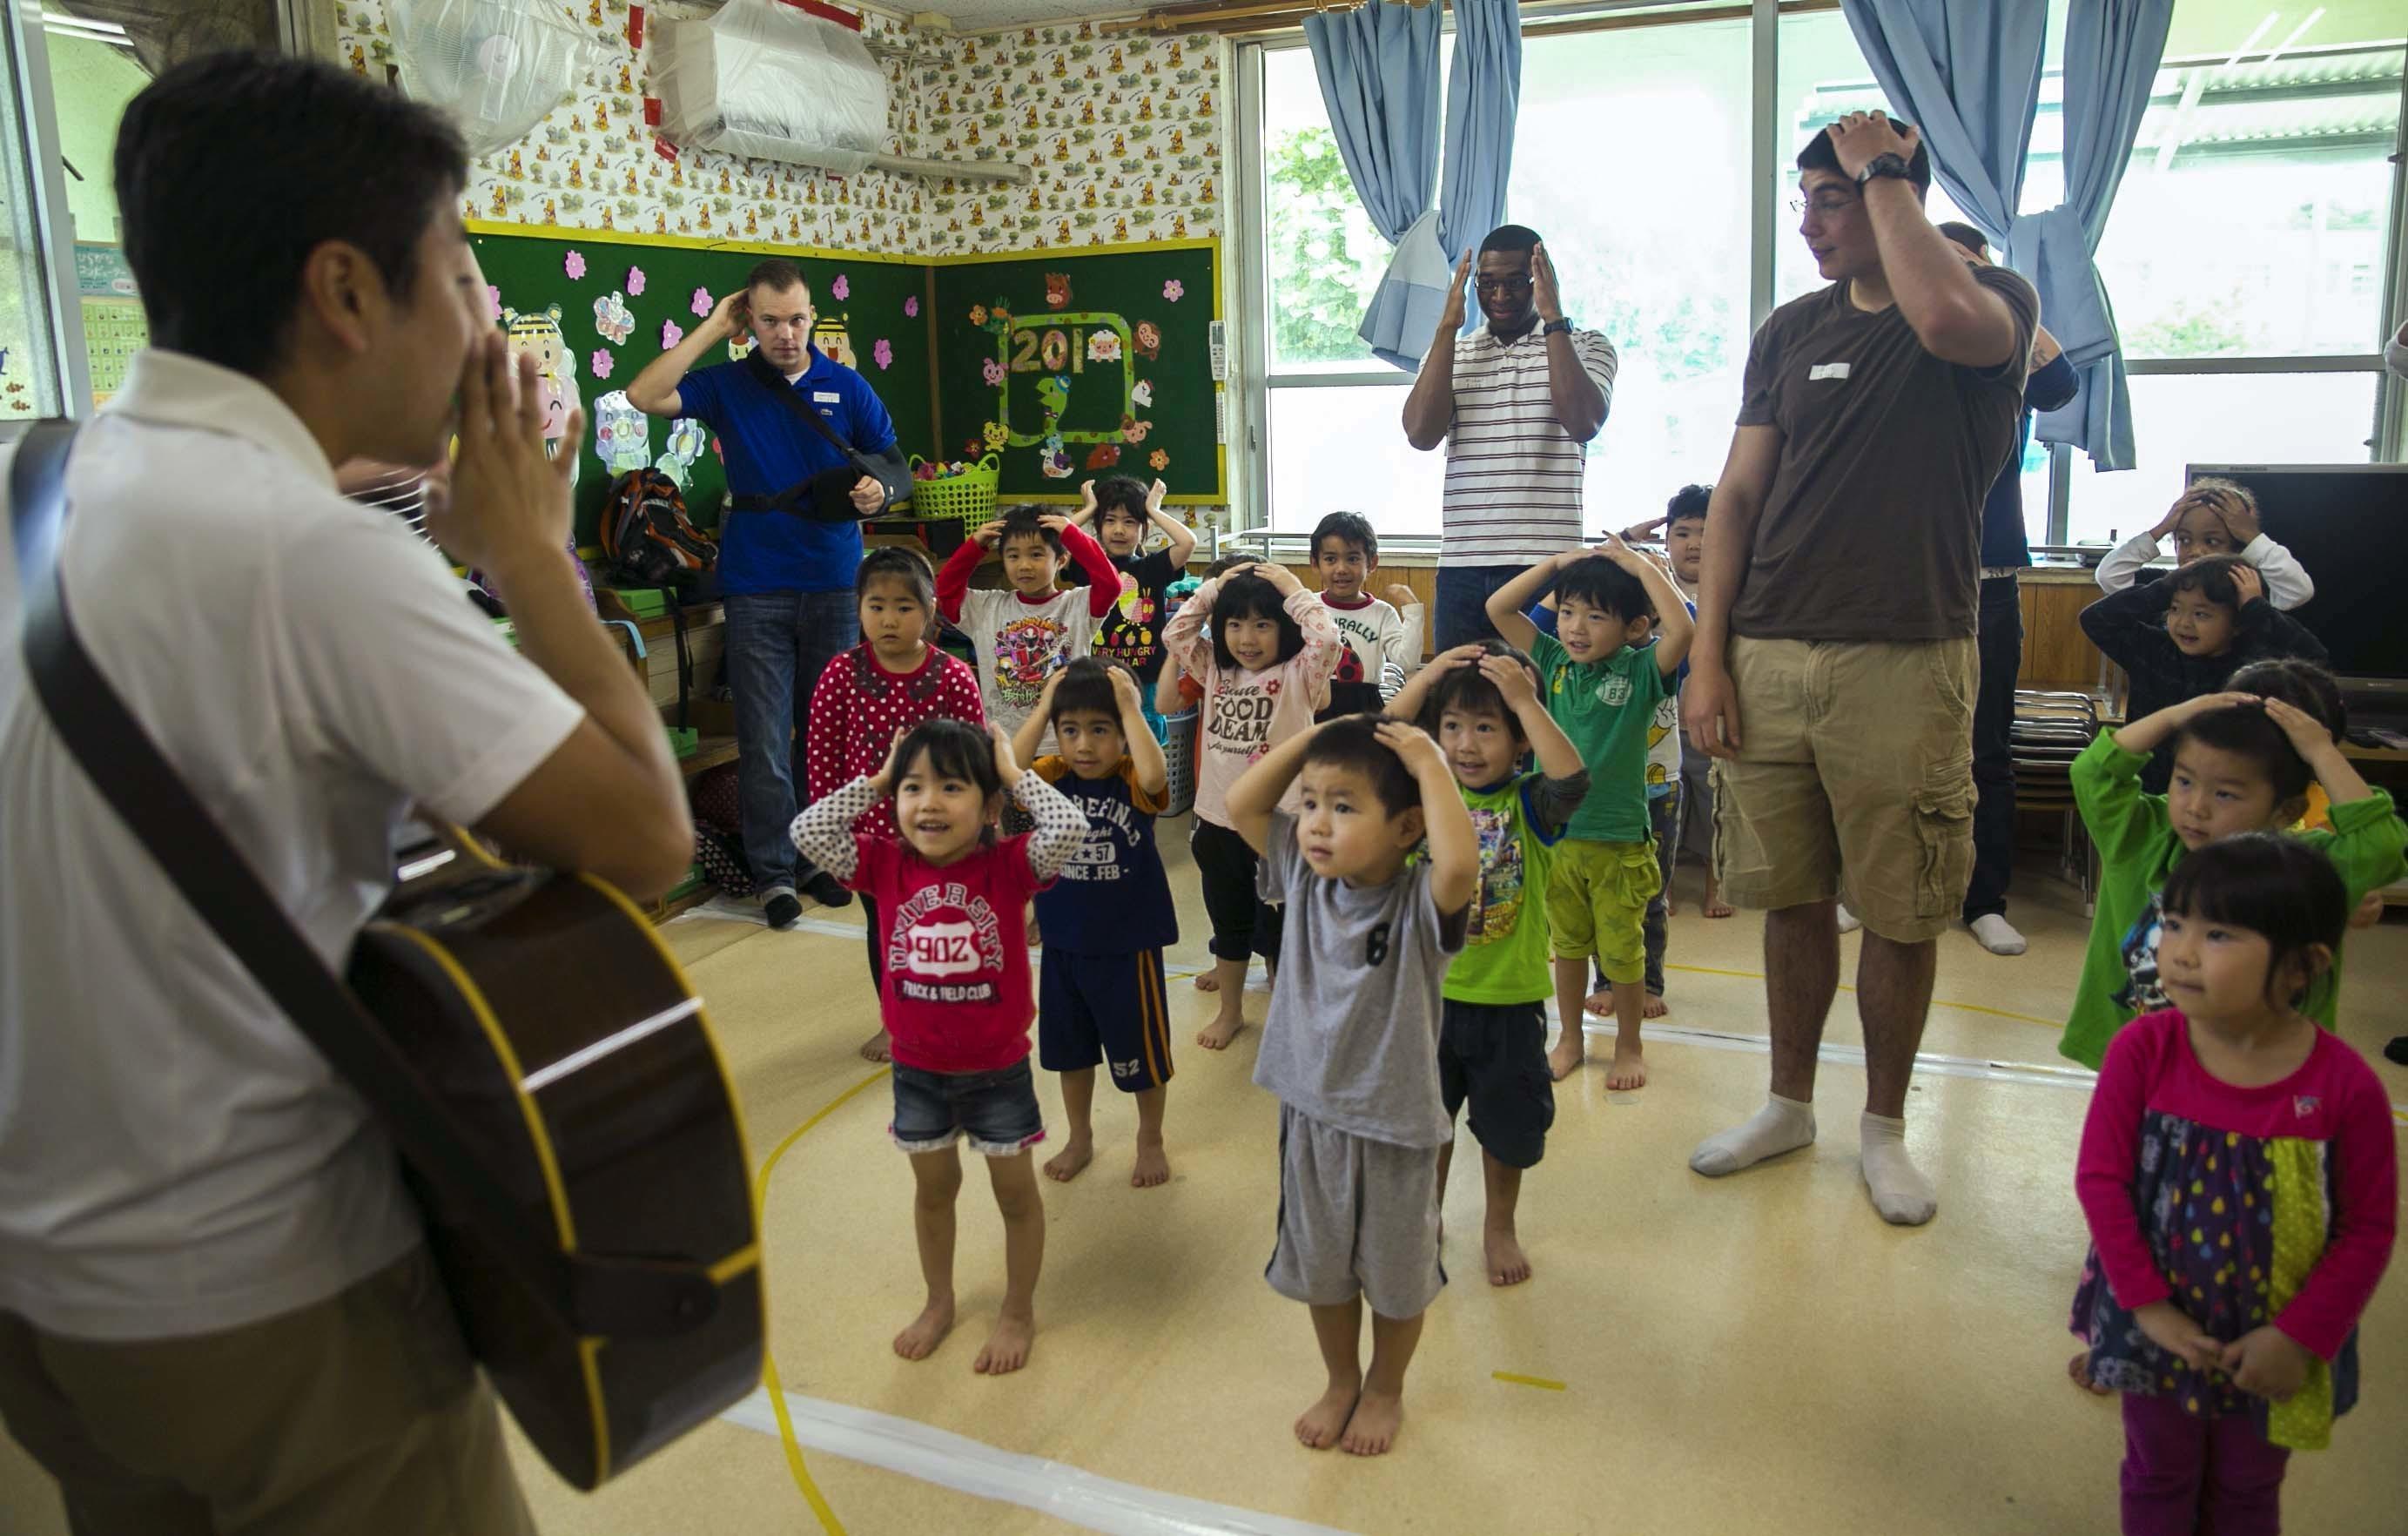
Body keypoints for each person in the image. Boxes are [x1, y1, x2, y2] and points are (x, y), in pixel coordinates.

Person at [0, 51, 695, 1534]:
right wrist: (530, 560)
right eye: (461, 269)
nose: (485, 320)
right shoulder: (305, 551)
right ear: (344, 290)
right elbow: (648, 836)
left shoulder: (51, 480)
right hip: (273, 1299)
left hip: (56, 1300)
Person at [1681, 112, 2040, 1226]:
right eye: (1804, 202)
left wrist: (1887, 170)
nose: (1809, 224)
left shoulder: (1994, 304)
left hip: (1910, 653)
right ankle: (1788, 1103)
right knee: (1790, 896)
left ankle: (1884, 1127)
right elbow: (1736, 497)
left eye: (1829, 199)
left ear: (1896, 192)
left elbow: (1939, 311)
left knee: (1899, 907)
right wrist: (1708, 655)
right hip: (1768, 647)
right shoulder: (1790, 330)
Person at [2070, 835, 2396, 1535]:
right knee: (2158, 1473)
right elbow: (2101, 1181)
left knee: (2248, 1489)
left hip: (2274, 1340)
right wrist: (2149, 1308)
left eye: (2218, 933)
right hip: (2156, 1325)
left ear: (2304, 966)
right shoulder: (2143, 1050)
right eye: (2175, 922)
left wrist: (2300, 1336)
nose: (2180, 950)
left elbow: (2367, 1229)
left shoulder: (2344, 1085)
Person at [791, 719, 1086, 1375]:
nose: (928, 803)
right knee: (933, 1193)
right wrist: (876, 781)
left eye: (951, 788)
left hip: (998, 1072)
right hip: (917, 1072)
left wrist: (1013, 775)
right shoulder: (884, 863)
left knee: (1015, 1197)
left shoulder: (1008, 867)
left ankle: (1017, 1309)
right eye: (914, 788)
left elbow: (1068, 830)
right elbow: (808, 832)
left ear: (986, 810)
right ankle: (939, 1300)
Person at [1228, 715, 1476, 1457]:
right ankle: (1341, 1379)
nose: (1316, 824)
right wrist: (1317, 740)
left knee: (1397, 1279)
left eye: (1344, 806)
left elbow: (1459, 868)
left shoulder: (1417, 906)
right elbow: (1243, 805)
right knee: (1322, 1267)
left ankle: (1386, 1387)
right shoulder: (1303, 879)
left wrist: (1430, 761)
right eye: (1310, 803)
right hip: (1310, 1118)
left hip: (1396, 1130)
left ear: (1406, 828)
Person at [628, 257, 898, 929]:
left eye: (797, 318)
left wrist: (879, 491)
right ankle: (775, 872)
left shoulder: (847, 385)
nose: (786, 333)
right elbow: (643, 396)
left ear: (812, 317)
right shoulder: (727, 384)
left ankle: (819, 858)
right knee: (764, 738)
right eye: (770, 320)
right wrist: (710, 330)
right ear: (751, 320)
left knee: (825, 736)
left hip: (835, 581)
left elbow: (896, 466)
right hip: (756, 587)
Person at [2059, 676, 2404, 1075]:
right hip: (2147, 1067)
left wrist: (2322, 751)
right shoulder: (2141, 838)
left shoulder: (2304, 867)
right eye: (2185, 781)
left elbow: (2382, 843)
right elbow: (2092, 773)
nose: (2195, 808)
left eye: (2225, 794)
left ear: (2287, 811)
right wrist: (2175, 716)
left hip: (2265, 1078)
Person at [1388, 644, 1589, 1287]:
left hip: (1508, 1003)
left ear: (1518, 742)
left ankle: (1498, 1224)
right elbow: (1378, 734)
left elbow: (1572, 780)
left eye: (1485, 728)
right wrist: (1429, 675)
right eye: (1452, 727)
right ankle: (1429, 1216)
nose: (1466, 745)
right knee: (1428, 1126)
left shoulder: (1529, 804)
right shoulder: (1420, 797)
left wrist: (1527, 700)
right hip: (1426, 1002)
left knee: (1509, 1132)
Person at [1487, 537, 1692, 1088]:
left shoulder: (1643, 669)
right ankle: (1571, 1038)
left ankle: (1628, 1046)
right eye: (1569, 611)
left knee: (1624, 953)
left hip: (1620, 840)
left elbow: (1684, 632)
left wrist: (1640, 567)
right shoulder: (1552, 660)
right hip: (1560, 840)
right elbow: (1498, 609)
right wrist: (1555, 566)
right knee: (1569, 947)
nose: (1576, 626)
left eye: (1595, 616)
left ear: (1631, 627)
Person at [1934, 222, 2082, 959]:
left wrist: (1989, 280)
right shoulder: (1917, 344)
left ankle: (1984, 898)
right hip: (1916, 581)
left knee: (1987, 749)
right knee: (1890, 743)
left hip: (1991, 583)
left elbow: (2062, 385)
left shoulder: (2001, 352)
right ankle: (1873, 888)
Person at [804, 545, 985, 1063]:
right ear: (858, 609)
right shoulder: (841, 674)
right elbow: (822, 759)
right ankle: (896, 1020)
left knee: (944, 929)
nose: (888, 619)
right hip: (871, 840)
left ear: (930, 611)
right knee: (885, 931)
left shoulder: (952, 675)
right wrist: (833, 836)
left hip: (940, 837)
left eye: (904, 607)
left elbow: (974, 756)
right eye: (876, 605)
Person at [1402, 226, 1618, 650]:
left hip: (1547, 561)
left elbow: (1583, 422)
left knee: (1545, 699)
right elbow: (1420, 434)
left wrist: (1554, 319)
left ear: (1540, 281)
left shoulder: (1586, 344)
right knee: (1460, 700)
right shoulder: (1451, 353)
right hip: (1463, 565)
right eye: (1488, 283)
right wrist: (1447, 328)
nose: (1500, 296)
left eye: (1515, 282)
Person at [1161, 561, 1342, 1050]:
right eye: (1235, 624)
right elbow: (1176, 633)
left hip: (1279, 825)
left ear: (1283, 628)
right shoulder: (1216, 669)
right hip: (1218, 823)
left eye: (1263, 624)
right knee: (1230, 921)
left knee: (1286, 926)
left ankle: (1289, 1002)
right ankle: (1232, 1011)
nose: (1247, 637)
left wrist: (1293, 589)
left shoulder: (1299, 674)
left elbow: (1327, 640)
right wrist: (1211, 590)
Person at [1012, 661, 1178, 1189]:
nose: (1084, 745)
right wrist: (1043, 708)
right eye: (1071, 731)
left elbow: (1157, 777)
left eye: (1100, 730)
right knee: (1070, 1051)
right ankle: (1079, 1135)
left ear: (1122, 735)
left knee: (1142, 1057)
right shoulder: (1053, 777)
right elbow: (1008, 773)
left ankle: (1149, 1137)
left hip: (1128, 948)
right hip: (1063, 944)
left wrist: (1131, 706)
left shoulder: (1132, 778)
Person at [2079, 554, 2329, 795]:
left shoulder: (2251, 661)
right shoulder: (2154, 649)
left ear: (2238, 624)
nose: (2184, 623)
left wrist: (2257, 608)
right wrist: (2165, 588)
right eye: (2175, 609)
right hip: (2148, 791)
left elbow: (2312, 657)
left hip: (2218, 795)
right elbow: (2095, 619)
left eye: (2201, 614)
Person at [935, 504, 1120, 757]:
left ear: (1062, 559)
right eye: (1013, 556)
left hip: (1065, 745)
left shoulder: (1078, 605)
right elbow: (945, 591)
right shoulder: (987, 608)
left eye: (1036, 555)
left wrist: (1072, 535)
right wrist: (974, 547)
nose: (1024, 565)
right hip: (1004, 744)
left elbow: (1111, 585)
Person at [1067, 475, 1195, 744]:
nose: (1119, 530)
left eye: (1130, 522)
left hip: (1146, 678)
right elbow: (1055, 543)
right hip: (1097, 677)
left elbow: (1188, 543)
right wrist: (1090, 509)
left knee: (1145, 758)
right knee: (1100, 745)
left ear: (1142, 528)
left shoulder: (1152, 567)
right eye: (1109, 520)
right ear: (1098, 525)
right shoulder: (1089, 568)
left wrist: (1153, 510)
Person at [2095, 479, 2315, 611]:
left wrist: (2252, 535)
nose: (2196, 551)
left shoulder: (2249, 591)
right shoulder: (2163, 586)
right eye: (2184, 539)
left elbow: (2298, 591)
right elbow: (2109, 576)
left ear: (2237, 547)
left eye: (2211, 541)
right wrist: (2160, 530)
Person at [1306, 510, 1425, 718]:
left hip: (1365, 702)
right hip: (1315, 700)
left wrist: (1414, 611)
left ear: (1371, 563)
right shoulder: (1308, 606)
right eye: (1330, 559)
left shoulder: (1382, 612)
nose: (1341, 569)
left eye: (1352, 559)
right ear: (1315, 563)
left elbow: (1406, 662)